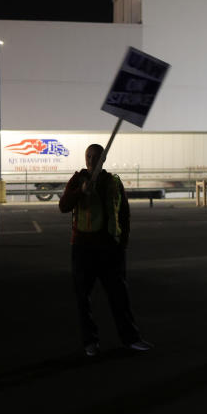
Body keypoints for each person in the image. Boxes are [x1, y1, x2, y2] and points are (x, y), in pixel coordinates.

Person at [58, 144, 151, 356]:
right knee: (83, 298)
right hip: (83, 248)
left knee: (120, 296)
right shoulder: (77, 180)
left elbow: (124, 213)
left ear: (104, 159)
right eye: (88, 156)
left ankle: (131, 339)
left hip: (110, 248)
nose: (91, 160)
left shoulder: (113, 182)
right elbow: (63, 206)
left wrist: (123, 242)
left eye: (96, 156)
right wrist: (80, 192)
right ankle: (90, 342)